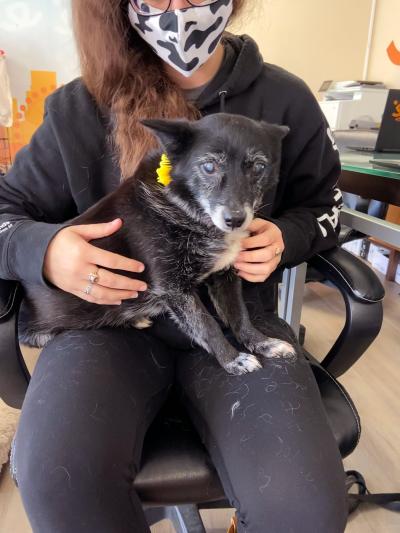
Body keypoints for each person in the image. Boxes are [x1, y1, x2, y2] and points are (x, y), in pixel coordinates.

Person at [0, 1, 347, 531]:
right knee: (57, 476)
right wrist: (42, 248)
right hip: (105, 326)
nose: (179, 8)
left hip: (238, 319)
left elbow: (327, 207)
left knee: (306, 507)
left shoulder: (284, 100)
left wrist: (288, 235)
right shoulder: (77, 108)